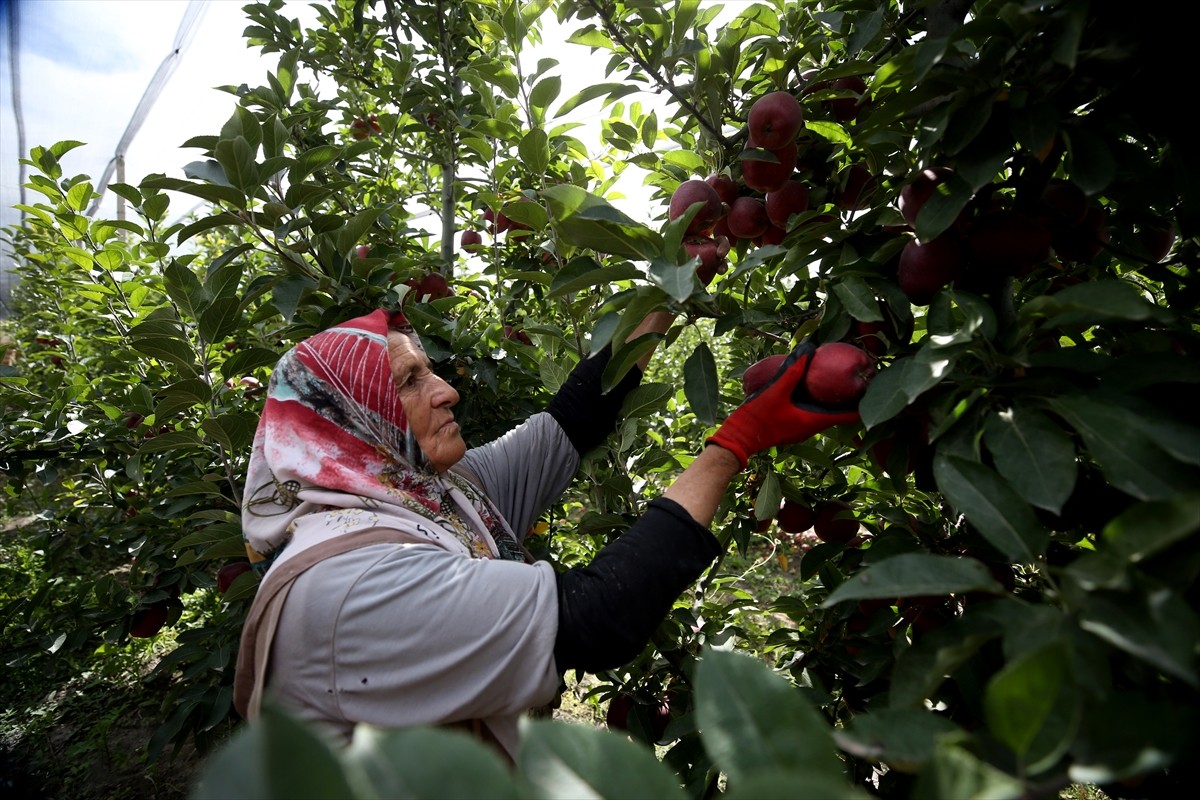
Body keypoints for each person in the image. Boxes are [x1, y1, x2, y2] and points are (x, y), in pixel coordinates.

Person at [232, 305, 859, 760]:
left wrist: (669, 289)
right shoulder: (345, 588)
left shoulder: (434, 495)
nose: (447, 391)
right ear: (352, 411)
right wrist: (737, 442)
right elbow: (597, 614)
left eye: (431, 370)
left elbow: (574, 418)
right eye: (409, 381)